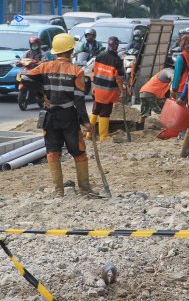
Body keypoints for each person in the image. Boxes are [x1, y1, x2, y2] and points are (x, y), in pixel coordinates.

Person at [24, 33, 93, 196]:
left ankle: (58, 191)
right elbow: (79, 99)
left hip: (50, 116)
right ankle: (84, 189)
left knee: (53, 152)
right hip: (68, 117)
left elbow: (25, 79)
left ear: (56, 51)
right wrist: (86, 122)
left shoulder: (44, 67)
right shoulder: (77, 71)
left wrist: (42, 96)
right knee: (79, 152)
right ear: (70, 51)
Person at [88, 36, 125, 141]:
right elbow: (118, 79)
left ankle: (89, 134)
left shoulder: (99, 57)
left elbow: (94, 73)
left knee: (95, 111)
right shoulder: (117, 61)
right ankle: (103, 137)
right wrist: (122, 92)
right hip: (108, 92)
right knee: (105, 113)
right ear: (116, 45)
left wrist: (93, 87)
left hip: (98, 90)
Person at [138, 57, 175, 129]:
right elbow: (172, 77)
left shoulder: (160, 72)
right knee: (165, 107)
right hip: (151, 93)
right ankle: (166, 127)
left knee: (144, 112)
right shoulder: (169, 70)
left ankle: (139, 127)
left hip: (143, 92)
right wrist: (172, 89)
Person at [170, 34, 189, 99]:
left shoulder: (181, 57)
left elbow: (177, 75)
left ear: (182, 44)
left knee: (181, 108)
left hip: (182, 88)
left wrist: (174, 89)